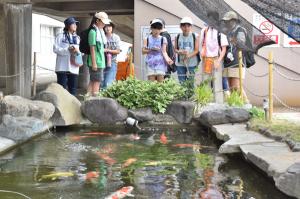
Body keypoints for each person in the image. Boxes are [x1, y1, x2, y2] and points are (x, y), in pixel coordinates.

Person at [199, 11, 229, 102]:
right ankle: (206, 102)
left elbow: (224, 49)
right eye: (209, 19)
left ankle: (219, 102)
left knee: (217, 81)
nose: (210, 21)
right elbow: (201, 44)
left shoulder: (221, 31)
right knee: (206, 80)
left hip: (217, 59)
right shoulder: (204, 30)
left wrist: (219, 61)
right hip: (206, 59)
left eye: (213, 19)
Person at [222, 11, 249, 101]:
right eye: (225, 21)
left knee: (236, 86)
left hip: (237, 62)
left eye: (227, 21)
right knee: (231, 87)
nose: (226, 23)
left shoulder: (240, 30)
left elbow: (242, 44)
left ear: (234, 20)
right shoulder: (227, 31)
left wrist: (233, 40)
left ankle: (247, 104)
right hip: (228, 62)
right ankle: (237, 105)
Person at [53, 17, 81, 95]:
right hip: (62, 67)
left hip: (74, 67)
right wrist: (67, 49)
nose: (75, 25)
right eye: (73, 24)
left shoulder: (78, 38)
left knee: (73, 89)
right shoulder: (60, 36)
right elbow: (55, 49)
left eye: (76, 24)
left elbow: (81, 52)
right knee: (61, 90)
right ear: (68, 25)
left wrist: (77, 51)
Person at [87, 12, 110, 96]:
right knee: (97, 81)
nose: (104, 24)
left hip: (100, 61)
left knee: (93, 81)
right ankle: (94, 99)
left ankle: (87, 99)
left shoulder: (100, 31)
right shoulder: (93, 32)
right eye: (103, 22)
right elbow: (92, 48)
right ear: (97, 21)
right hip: (96, 62)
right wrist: (94, 63)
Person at [175, 17, 200, 84]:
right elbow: (175, 49)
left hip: (192, 63)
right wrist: (179, 51)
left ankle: (190, 95)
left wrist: (188, 56)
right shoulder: (177, 36)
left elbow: (196, 50)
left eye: (188, 26)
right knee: (181, 82)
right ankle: (183, 95)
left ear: (191, 26)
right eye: (184, 26)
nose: (186, 28)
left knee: (190, 83)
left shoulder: (195, 36)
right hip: (180, 63)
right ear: (180, 27)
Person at [102, 19, 121, 89]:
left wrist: (108, 50)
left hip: (112, 62)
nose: (108, 28)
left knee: (108, 82)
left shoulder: (116, 37)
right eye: (106, 26)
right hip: (102, 62)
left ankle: (107, 99)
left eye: (109, 26)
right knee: (102, 82)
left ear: (112, 27)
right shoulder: (102, 36)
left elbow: (118, 51)